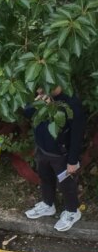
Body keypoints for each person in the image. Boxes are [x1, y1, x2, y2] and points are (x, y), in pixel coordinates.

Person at [23, 87, 85, 232]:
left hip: (61, 153)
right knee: (45, 177)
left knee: (66, 185)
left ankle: (72, 211)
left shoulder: (71, 103)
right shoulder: (41, 97)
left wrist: (72, 160)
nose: (39, 89)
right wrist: (35, 104)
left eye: (43, 85)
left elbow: (77, 135)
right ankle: (48, 204)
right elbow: (27, 113)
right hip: (43, 149)